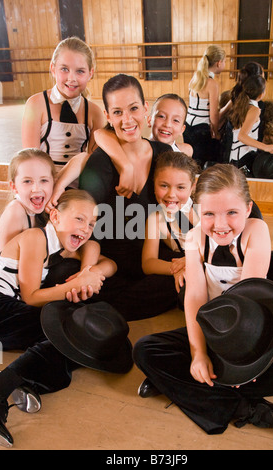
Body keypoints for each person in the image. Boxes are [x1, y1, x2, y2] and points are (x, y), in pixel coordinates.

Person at [133, 163, 273, 436]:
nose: (220, 225)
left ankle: (178, 383)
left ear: (247, 208)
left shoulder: (256, 231)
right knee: (144, 349)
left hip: (254, 332)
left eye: (232, 213)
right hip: (214, 331)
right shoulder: (195, 238)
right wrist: (198, 353)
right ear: (197, 212)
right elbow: (195, 297)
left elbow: (249, 301)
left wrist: (249, 361)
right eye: (209, 214)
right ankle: (246, 408)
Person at [48, 73, 182, 320]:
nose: (127, 119)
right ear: (108, 117)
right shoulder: (101, 162)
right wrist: (89, 271)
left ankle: (98, 313)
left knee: (185, 275)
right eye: (118, 112)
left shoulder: (163, 154)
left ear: (145, 109)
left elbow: (184, 205)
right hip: (112, 268)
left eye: (133, 109)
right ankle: (95, 311)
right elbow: (85, 226)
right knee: (64, 276)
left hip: (150, 260)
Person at [0, 189, 118, 447]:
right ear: (54, 215)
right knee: (67, 332)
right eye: (79, 219)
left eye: (92, 224)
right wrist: (76, 284)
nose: (86, 229)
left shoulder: (62, 248)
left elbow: (112, 264)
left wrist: (90, 270)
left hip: (9, 316)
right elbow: (30, 296)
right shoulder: (35, 238)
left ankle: (27, 381)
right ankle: (7, 389)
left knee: (76, 341)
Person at [88, 93, 193, 199]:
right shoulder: (134, 146)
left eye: (175, 120)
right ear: (149, 120)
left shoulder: (184, 151)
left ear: (182, 129)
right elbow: (100, 133)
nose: (167, 124)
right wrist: (126, 166)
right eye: (161, 116)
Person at [21, 37, 104, 170]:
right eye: (64, 69)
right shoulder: (36, 104)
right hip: (42, 183)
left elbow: (95, 163)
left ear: (90, 73)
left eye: (80, 71)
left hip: (78, 186)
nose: (71, 78)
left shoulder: (95, 112)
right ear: (53, 69)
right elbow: (29, 159)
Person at [142, 150, 199, 294]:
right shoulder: (155, 219)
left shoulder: (204, 210)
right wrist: (176, 269)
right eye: (164, 186)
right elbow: (148, 263)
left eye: (180, 187)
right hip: (179, 269)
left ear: (192, 187)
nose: (171, 194)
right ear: (153, 185)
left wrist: (191, 262)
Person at [0, 149, 55, 252]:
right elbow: (6, 262)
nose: (37, 188)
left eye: (44, 180)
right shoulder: (15, 212)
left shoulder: (49, 207)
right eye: (27, 181)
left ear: (54, 182)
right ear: (14, 187)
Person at [183, 45, 226, 166]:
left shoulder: (196, 78)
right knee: (207, 162)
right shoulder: (212, 84)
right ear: (219, 63)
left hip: (188, 125)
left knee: (193, 161)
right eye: (225, 61)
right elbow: (213, 115)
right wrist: (217, 133)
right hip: (202, 129)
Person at [228, 75, 273, 172]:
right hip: (244, 157)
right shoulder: (254, 110)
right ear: (261, 94)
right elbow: (242, 136)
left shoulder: (242, 105)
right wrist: (266, 147)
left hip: (236, 157)